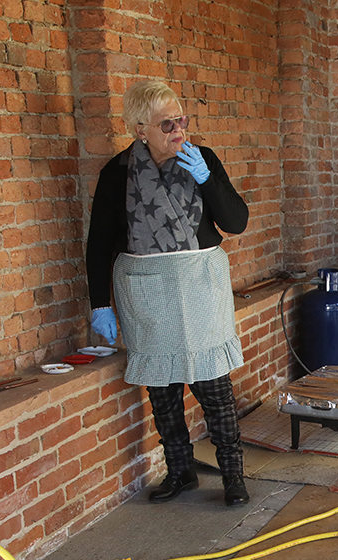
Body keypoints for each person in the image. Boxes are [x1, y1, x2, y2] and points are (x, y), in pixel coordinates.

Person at [85, 80, 252, 507]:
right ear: (141, 129)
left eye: (182, 120)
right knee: (162, 389)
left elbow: (235, 222)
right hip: (146, 290)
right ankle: (180, 471)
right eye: (167, 124)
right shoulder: (117, 174)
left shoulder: (203, 160)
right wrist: (99, 303)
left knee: (213, 385)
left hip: (199, 284)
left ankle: (234, 475)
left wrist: (207, 179)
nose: (178, 130)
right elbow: (100, 242)